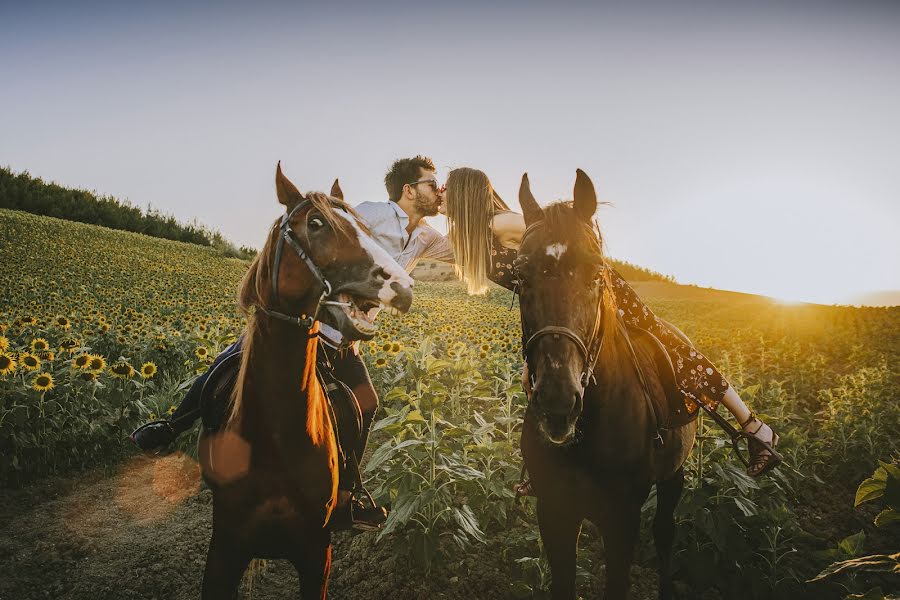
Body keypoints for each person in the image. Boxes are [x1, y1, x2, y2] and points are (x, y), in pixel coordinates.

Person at [131, 155, 453, 529]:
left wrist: (459, 207)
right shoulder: (369, 213)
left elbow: (465, 252)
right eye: (433, 184)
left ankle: (347, 496)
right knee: (227, 365)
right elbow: (326, 233)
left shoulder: (427, 237)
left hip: (344, 341)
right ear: (409, 190)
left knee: (365, 406)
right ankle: (174, 425)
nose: (438, 189)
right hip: (303, 324)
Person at [439, 167, 782, 481]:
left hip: (590, 291)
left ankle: (754, 428)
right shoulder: (472, 242)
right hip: (555, 309)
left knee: (672, 346)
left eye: (445, 192)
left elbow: (554, 242)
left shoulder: (503, 223)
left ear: (464, 198)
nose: (440, 198)